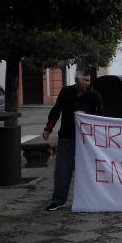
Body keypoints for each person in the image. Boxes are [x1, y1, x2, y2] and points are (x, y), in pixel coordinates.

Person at [43, 70, 105, 211]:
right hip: (67, 136)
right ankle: (58, 200)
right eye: (82, 80)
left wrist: (86, 114)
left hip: (87, 140)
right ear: (76, 80)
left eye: (88, 80)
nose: (85, 83)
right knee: (62, 169)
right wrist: (48, 128)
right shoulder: (66, 91)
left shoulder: (95, 95)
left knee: (89, 170)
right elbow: (56, 110)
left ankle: (91, 200)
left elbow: (102, 115)